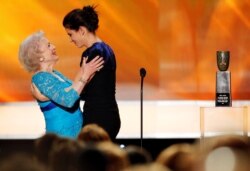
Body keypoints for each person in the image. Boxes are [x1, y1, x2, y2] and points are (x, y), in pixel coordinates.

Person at [18, 30, 104, 138]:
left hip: (76, 137)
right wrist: (85, 74)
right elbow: (69, 100)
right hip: (61, 140)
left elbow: (77, 91)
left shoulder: (55, 74)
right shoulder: (40, 78)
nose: (53, 47)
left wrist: (87, 71)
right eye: (48, 46)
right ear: (39, 57)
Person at [63, 5, 121, 141]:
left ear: (82, 30)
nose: (71, 39)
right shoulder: (104, 49)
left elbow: (81, 85)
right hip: (105, 115)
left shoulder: (96, 52)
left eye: (70, 34)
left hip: (99, 118)